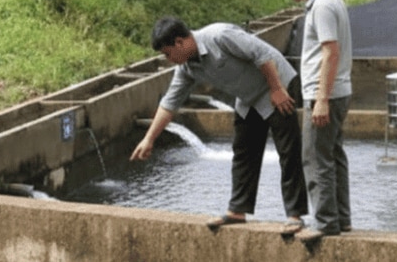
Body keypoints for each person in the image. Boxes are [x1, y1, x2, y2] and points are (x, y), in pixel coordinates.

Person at [130, 16, 308, 237]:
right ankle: (237, 211)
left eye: (168, 54)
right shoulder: (186, 68)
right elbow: (169, 103)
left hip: (277, 82)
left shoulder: (219, 36)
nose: (168, 60)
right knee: (243, 151)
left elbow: (262, 54)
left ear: (179, 42)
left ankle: (295, 216)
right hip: (248, 96)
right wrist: (149, 139)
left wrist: (277, 89)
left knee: (288, 150)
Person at [275, 0, 353, 242]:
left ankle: (325, 223)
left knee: (315, 158)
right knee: (333, 156)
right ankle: (341, 219)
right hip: (337, 91)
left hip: (325, 94)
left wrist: (321, 99)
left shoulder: (322, 5)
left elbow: (330, 52)